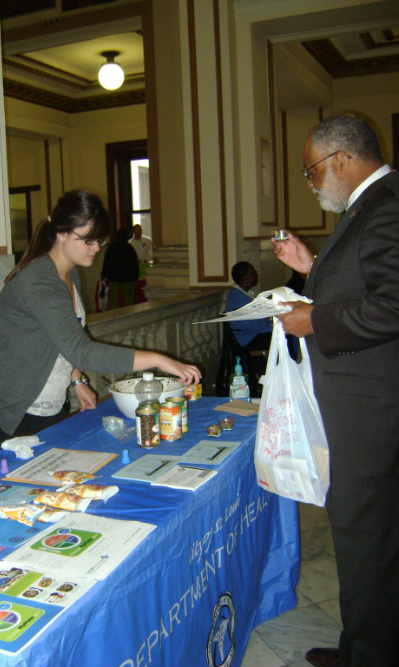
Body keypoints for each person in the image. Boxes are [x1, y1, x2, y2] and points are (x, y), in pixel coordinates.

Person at [272, 114, 399, 667]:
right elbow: (366, 283)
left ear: (341, 160)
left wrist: (315, 319)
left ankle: (367, 657)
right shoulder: (371, 206)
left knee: (365, 539)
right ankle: (365, 646)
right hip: (365, 400)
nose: (311, 182)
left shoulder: (386, 205)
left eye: (311, 171)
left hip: (371, 410)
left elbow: (392, 305)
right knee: (372, 538)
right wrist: (312, 266)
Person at [0, 190, 200, 447]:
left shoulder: (67, 273)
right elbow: (82, 351)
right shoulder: (40, 281)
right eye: (88, 240)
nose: (96, 248)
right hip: (17, 401)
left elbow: (63, 339)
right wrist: (160, 360)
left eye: (99, 241)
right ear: (62, 232)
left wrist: (78, 380)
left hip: (48, 397)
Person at [225, 262, 272, 351]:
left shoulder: (243, 295)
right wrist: (273, 326)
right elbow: (254, 325)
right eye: (252, 274)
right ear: (244, 278)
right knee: (284, 337)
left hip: (253, 334)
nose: (256, 275)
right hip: (248, 338)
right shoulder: (237, 297)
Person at [101, 227, 139, 307]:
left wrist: (103, 275)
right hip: (128, 278)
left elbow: (106, 262)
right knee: (129, 301)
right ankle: (130, 318)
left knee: (114, 302)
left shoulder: (111, 248)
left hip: (114, 277)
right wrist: (136, 276)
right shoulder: (130, 248)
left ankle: (115, 318)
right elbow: (135, 264)